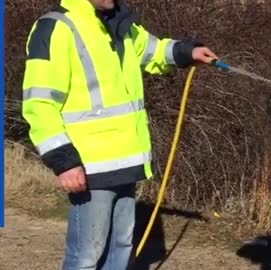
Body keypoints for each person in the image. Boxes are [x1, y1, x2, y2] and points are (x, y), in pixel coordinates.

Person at [21, 0, 218, 269]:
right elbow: (39, 104)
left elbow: (155, 51)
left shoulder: (119, 23)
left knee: (121, 249)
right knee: (86, 257)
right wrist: (64, 162)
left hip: (127, 161)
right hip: (90, 168)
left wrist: (187, 51)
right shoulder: (55, 27)